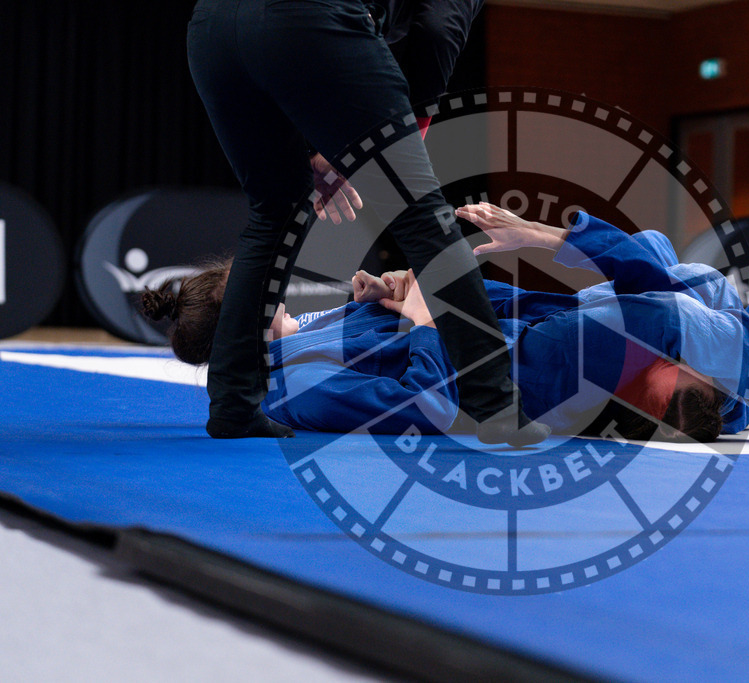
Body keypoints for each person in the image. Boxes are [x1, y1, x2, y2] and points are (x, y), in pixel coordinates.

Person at [141, 204, 749, 445]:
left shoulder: (306, 341)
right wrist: (419, 319)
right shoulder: (295, 392)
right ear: (247, 327)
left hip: (558, 345)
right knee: (666, 304)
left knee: (674, 265)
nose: (285, 302)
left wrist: (374, 295)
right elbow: (425, 403)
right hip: (546, 377)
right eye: (271, 303)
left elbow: (405, 336)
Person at [186, 0, 544, 446]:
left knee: (274, 213)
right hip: (307, 21)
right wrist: (395, 142)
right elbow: (436, 30)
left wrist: (334, 146)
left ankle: (233, 406)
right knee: (421, 216)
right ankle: (495, 405)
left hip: (212, 28)